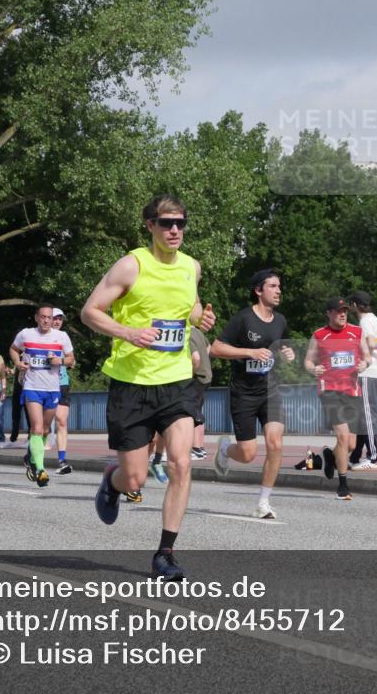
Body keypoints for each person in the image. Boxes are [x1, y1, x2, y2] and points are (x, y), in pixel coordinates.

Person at [81, 194, 216, 581]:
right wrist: (128, 331)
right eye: (166, 223)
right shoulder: (131, 265)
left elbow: (185, 308)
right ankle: (113, 481)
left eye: (181, 223)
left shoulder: (192, 267)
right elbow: (89, 312)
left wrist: (199, 317)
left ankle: (165, 553)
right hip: (132, 384)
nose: (175, 230)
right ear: (150, 226)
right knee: (135, 478)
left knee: (181, 462)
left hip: (176, 381)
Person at [210, 268, 296, 519]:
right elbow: (216, 348)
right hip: (243, 393)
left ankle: (263, 502)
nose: (278, 290)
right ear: (259, 290)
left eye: (279, 286)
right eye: (273, 286)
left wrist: (287, 353)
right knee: (248, 454)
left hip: (270, 390)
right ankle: (226, 450)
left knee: (275, 443)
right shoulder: (244, 319)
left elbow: (284, 345)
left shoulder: (280, 320)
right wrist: (249, 352)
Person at [303, 297, 372, 501]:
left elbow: (367, 356)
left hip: (351, 390)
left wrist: (364, 364)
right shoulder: (319, 335)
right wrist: (313, 369)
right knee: (342, 437)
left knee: (350, 445)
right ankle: (343, 485)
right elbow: (308, 360)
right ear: (329, 313)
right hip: (329, 391)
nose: (342, 314)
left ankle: (330, 456)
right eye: (338, 311)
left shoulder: (357, 332)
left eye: (345, 311)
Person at [10, 304, 75, 487]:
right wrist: (17, 362)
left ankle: (31, 458)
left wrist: (59, 360)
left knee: (46, 430)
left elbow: (71, 359)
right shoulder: (26, 334)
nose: (46, 320)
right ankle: (40, 469)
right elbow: (13, 349)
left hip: (53, 389)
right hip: (32, 387)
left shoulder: (61, 337)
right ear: (37, 318)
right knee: (37, 428)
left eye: (49, 317)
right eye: (43, 317)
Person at [348, 290, 377, 469]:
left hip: (367, 372)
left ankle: (373, 458)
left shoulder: (365, 321)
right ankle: (356, 455)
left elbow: (371, 343)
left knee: (367, 415)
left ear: (355, 305)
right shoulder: (374, 318)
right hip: (374, 371)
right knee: (362, 417)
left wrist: (363, 353)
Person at [50, 309, 75, 474]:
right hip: (43, 384)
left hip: (62, 383)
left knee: (62, 421)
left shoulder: (64, 337)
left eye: (60, 319)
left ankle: (62, 461)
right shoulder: (37, 336)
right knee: (43, 426)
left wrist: (64, 361)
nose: (58, 322)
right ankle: (32, 456)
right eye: (54, 318)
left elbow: (72, 360)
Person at [188, 326, 212, 461]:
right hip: (206, 376)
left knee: (192, 413)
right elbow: (209, 347)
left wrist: (190, 373)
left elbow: (195, 358)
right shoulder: (197, 331)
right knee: (197, 411)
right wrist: (205, 361)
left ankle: (196, 448)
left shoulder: (186, 332)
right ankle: (200, 448)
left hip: (196, 377)